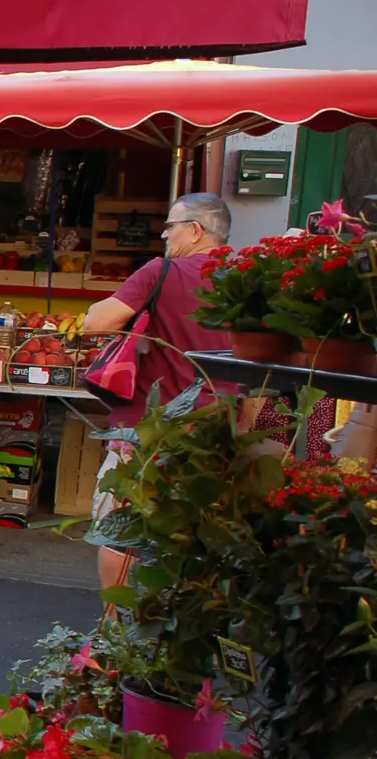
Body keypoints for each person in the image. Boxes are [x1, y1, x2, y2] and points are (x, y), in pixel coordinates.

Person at [82, 191, 232, 588]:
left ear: (196, 230)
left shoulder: (162, 272)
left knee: (121, 530)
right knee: (195, 531)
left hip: (150, 425)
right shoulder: (245, 275)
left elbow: (96, 322)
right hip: (215, 426)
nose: (164, 235)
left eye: (171, 226)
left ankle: (114, 630)